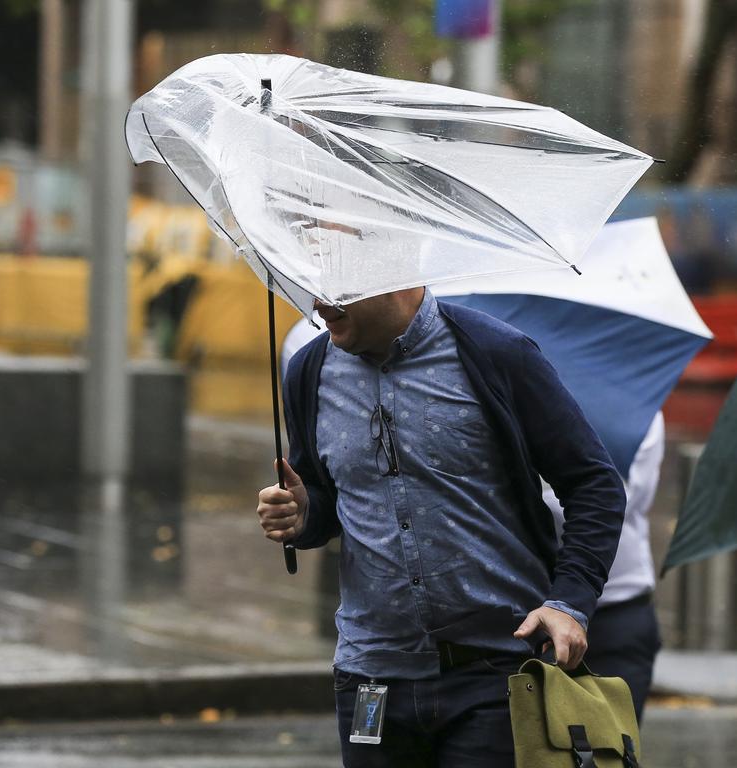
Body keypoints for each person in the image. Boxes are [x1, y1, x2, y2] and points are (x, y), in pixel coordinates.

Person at [257, 287, 626, 768]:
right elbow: (325, 501)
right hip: (371, 674)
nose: (319, 302)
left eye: (337, 284)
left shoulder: (496, 352)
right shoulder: (307, 371)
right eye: (315, 282)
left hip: (496, 672)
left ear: (392, 270)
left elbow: (593, 482)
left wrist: (570, 602)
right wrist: (303, 515)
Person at [543, 411, 665, 722]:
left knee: (611, 745)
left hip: (618, 606)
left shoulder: (641, 408)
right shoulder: (525, 395)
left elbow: (618, 500)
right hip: (540, 611)